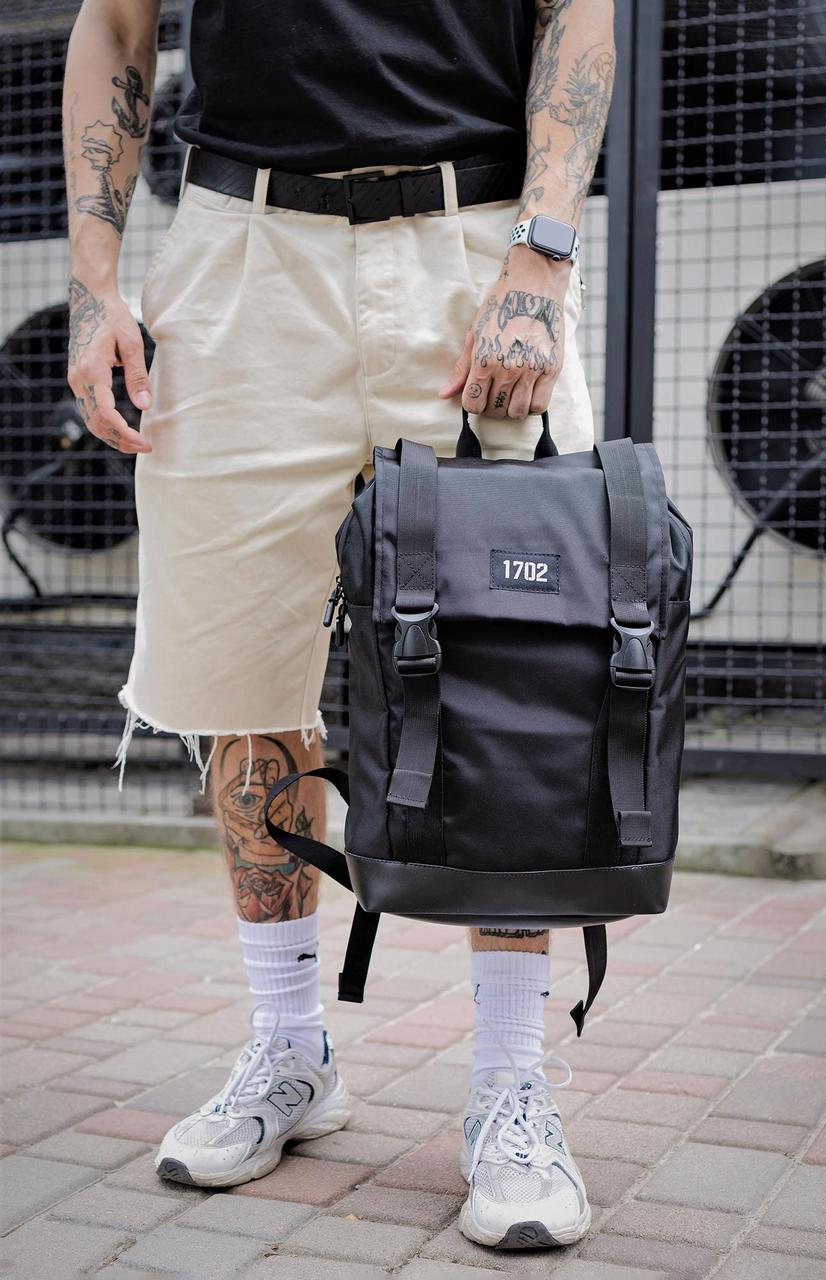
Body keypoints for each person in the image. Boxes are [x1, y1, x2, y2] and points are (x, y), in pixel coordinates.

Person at [64, 0, 614, 1250]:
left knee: (509, 676)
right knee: (238, 666)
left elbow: (576, 12)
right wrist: (95, 282)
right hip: (241, 252)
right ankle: (288, 1047)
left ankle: (510, 1084)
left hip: (475, 242)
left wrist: (541, 254)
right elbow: (113, 23)